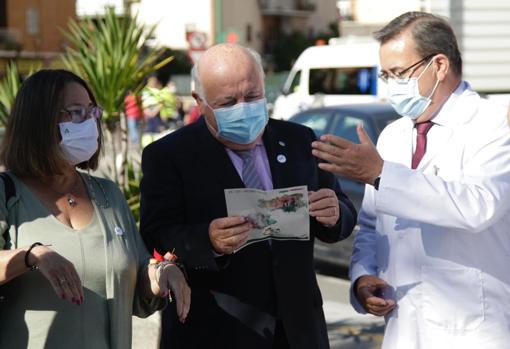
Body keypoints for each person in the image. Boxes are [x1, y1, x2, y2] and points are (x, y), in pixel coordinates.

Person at [311, 11, 510, 349]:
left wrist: (380, 174)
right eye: (385, 75)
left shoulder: (490, 124)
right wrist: (363, 276)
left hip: (474, 331)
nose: (392, 86)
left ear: (440, 66)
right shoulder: (394, 135)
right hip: (404, 329)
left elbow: (479, 206)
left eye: (399, 73)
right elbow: (372, 226)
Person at [140, 43, 357, 349]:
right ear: (199, 102)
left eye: (253, 96)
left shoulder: (298, 140)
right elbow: (155, 234)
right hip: (217, 331)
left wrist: (335, 215)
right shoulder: (169, 156)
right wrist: (209, 241)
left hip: (298, 331)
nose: (244, 107)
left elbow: (342, 212)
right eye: (228, 101)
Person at [0, 69, 191, 348]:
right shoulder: (7, 192)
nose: (90, 123)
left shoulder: (108, 194)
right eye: (77, 112)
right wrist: (32, 256)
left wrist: (163, 273)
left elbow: (137, 274)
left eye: (93, 112)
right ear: (40, 121)